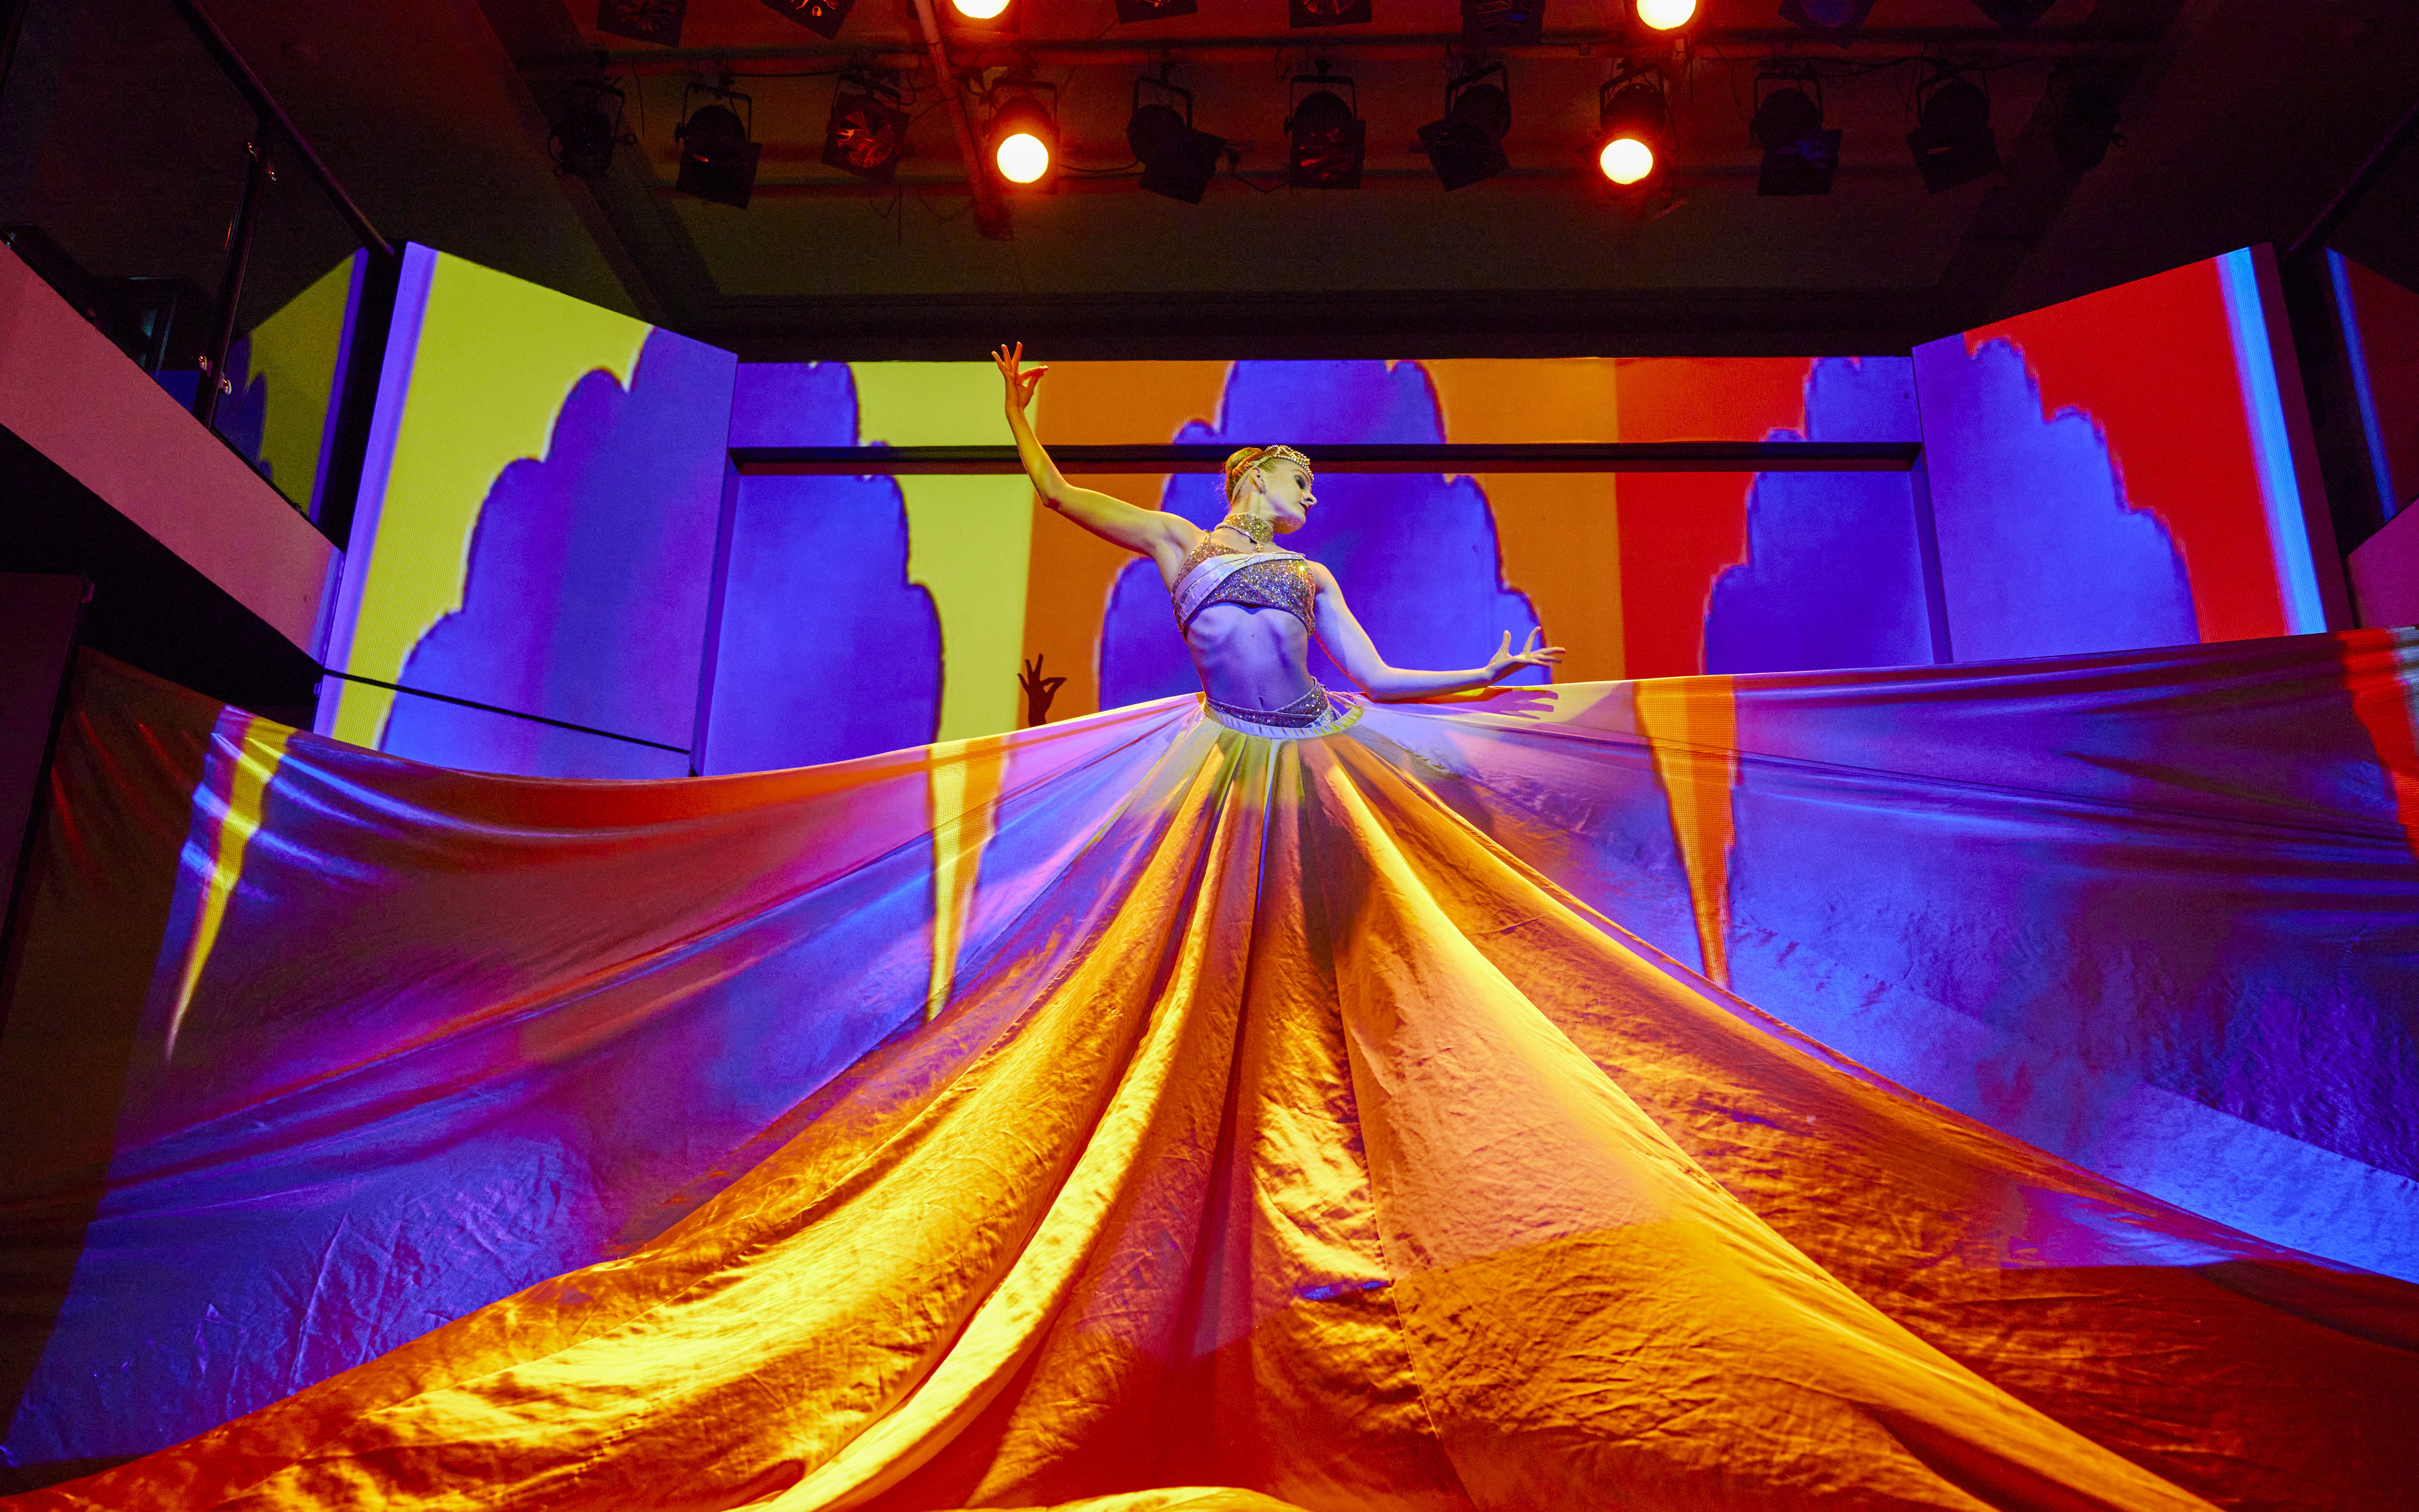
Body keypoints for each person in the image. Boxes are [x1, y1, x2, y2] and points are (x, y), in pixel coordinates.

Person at [992, 342, 1562, 736]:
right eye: (1301, 482)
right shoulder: (1179, 543)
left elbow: (1378, 679)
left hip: (1314, 738)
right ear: (1258, 478)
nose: (1312, 497)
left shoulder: (1312, 575)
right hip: (1222, 744)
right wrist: (1017, 416)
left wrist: (1482, 674)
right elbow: (1057, 495)